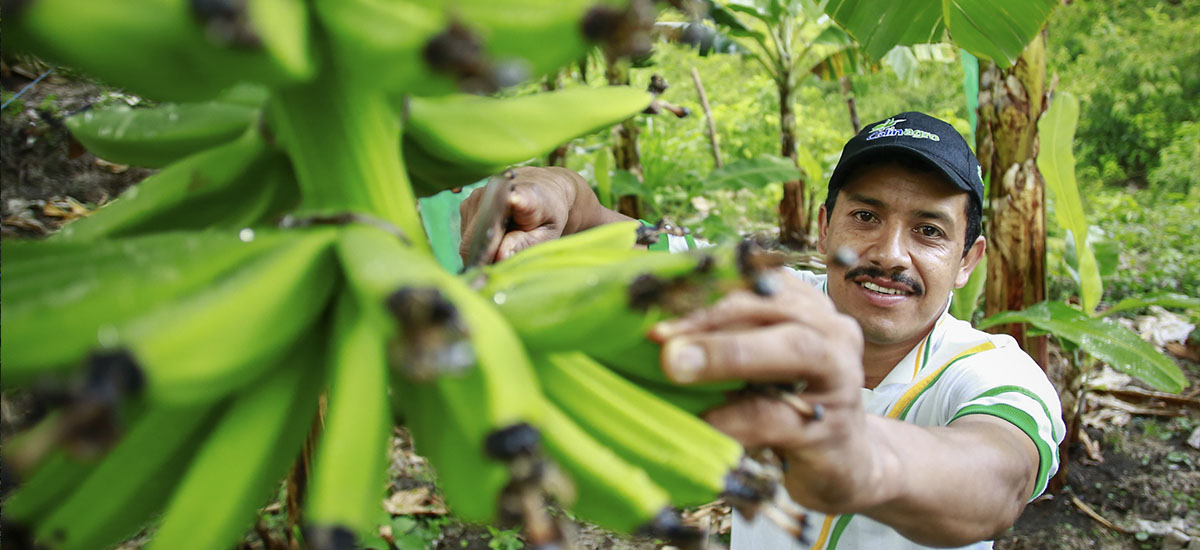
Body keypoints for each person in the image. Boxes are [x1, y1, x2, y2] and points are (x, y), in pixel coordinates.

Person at [458, 112, 1065, 550]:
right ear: (825, 229)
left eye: (929, 231)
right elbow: (600, 232)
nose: (890, 253)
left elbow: (997, 477)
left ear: (967, 259)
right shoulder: (766, 298)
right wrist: (558, 192)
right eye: (865, 216)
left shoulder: (990, 370)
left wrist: (864, 461)